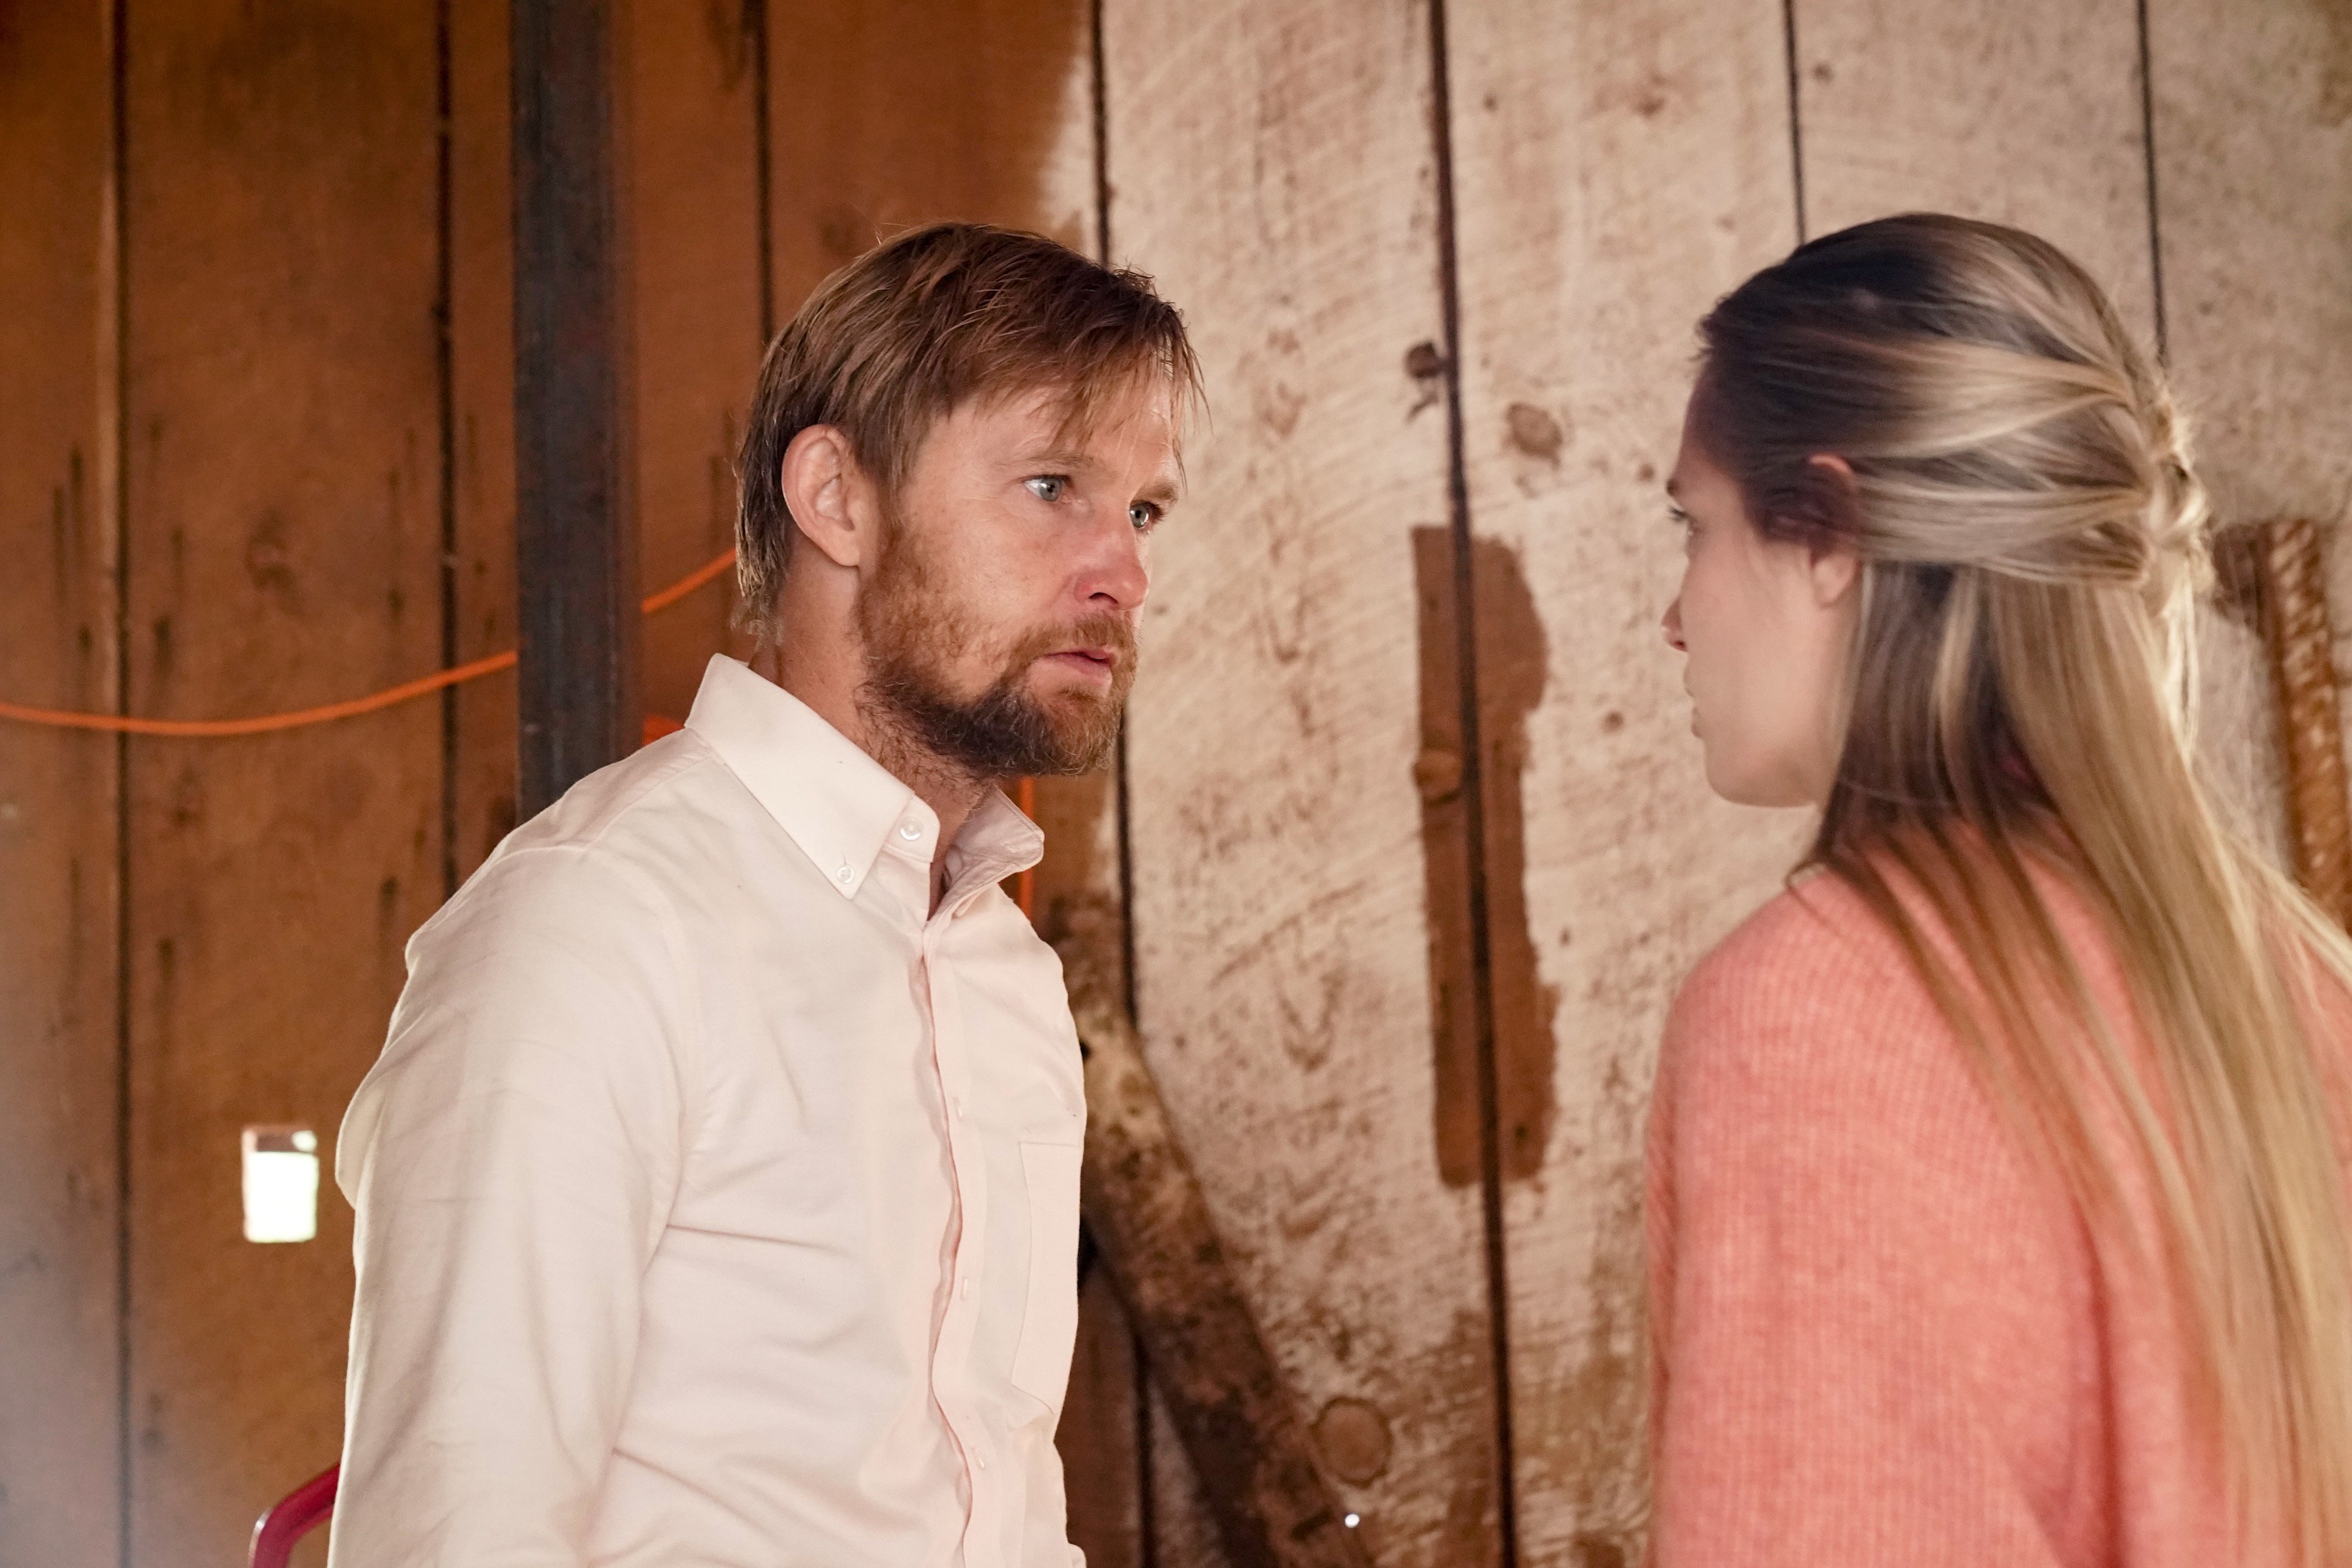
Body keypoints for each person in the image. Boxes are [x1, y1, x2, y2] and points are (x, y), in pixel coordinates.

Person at [328, 223, 1196, 1567]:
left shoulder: (998, 972)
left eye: (1142, 511)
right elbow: (455, 1534)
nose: (1122, 573)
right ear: (836, 498)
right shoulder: (593, 928)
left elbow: (997, 1511)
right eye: (1051, 486)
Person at [1646, 212, 2352, 1567]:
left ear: (1832, 531)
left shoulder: (1816, 1018)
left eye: (1696, 524)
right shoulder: (2302, 982)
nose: (1677, 613)